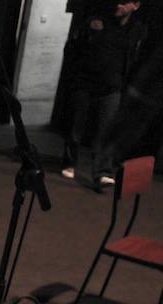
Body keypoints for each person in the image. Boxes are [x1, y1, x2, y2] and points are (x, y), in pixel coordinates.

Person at [61, 0, 147, 189]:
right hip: (85, 83)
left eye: (124, 3)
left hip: (113, 88)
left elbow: (136, 59)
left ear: (135, 6)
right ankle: (69, 162)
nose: (118, 5)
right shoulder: (97, 22)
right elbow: (74, 47)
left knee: (106, 132)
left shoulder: (137, 30)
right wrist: (75, 74)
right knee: (76, 127)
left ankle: (102, 172)